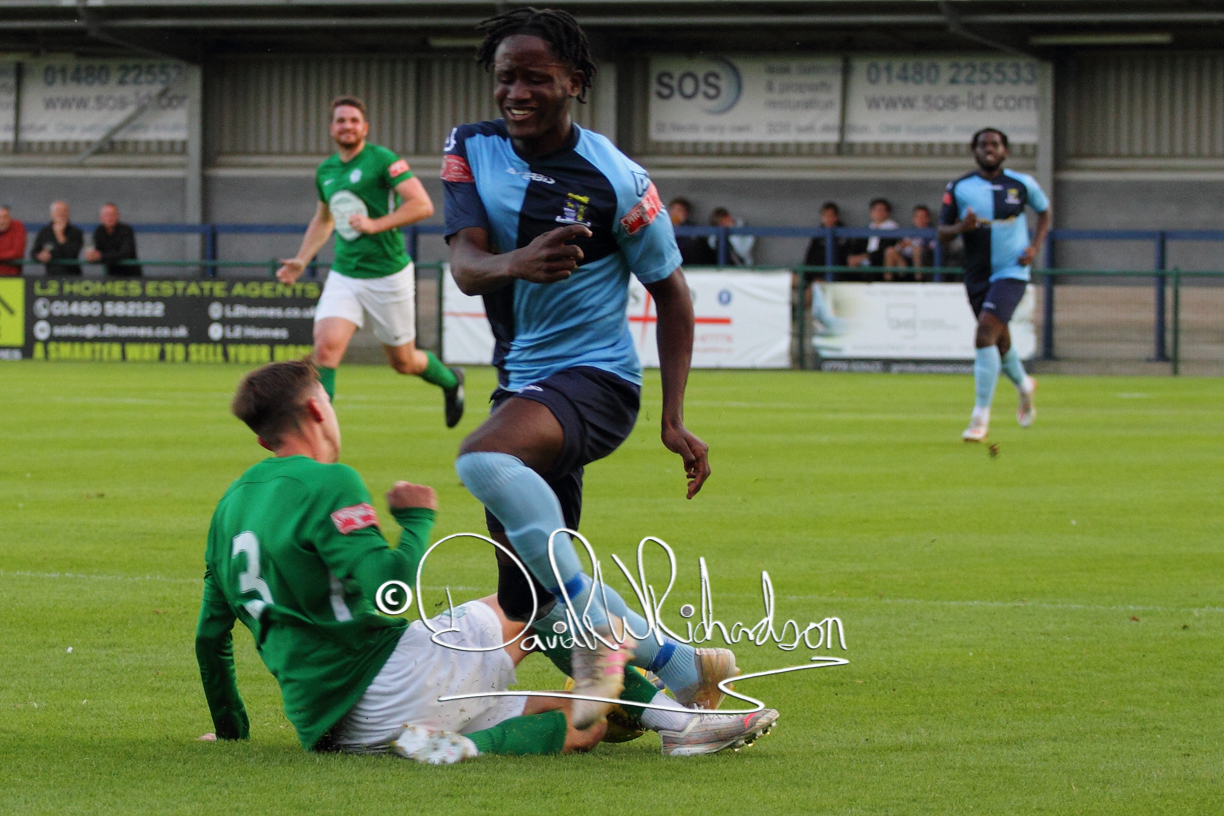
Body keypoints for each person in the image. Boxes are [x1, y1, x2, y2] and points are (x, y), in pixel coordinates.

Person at [197, 358, 777, 763]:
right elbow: (388, 590)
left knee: (588, 724)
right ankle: (683, 722)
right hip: (393, 677)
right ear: (317, 409)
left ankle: (448, 743)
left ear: (263, 440)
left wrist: (231, 732)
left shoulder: (226, 512)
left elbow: (210, 638)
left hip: (334, 730)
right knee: (534, 602)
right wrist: (416, 520)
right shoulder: (329, 482)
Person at [442, 7, 731, 731]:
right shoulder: (470, 147)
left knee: (484, 456)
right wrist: (518, 262)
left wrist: (673, 416)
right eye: (505, 77)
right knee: (531, 601)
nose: (516, 92)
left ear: (574, 80)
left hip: (597, 382)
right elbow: (467, 267)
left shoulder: (619, 180)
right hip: (523, 386)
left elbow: (673, 294)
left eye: (535, 78)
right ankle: (683, 678)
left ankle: (632, 655)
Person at [275, 95, 464, 427]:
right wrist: (302, 260)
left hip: (388, 274)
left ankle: (451, 381)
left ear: (365, 127)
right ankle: (318, 436)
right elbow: (324, 219)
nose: (346, 126)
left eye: (353, 120)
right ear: (331, 128)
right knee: (325, 351)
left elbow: (422, 205)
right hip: (345, 273)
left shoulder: (383, 160)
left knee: (404, 362)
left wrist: (376, 224)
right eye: (340, 120)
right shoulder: (326, 170)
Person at [938, 127, 1049, 442]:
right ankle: (1024, 385)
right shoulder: (959, 187)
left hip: (1012, 270)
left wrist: (1035, 247)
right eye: (983, 145)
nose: (989, 149)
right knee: (998, 340)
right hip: (976, 273)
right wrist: (961, 227)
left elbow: (1044, 212)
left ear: (1005, 151)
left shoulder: (1022, 184)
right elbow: (942, 232)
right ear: (974, 151)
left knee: (984, 332)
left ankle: (979, 418)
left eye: (995, 144)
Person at [85, 203, 141, 277]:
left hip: (130, 275)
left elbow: (125, 253)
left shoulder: (126, 230)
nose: (110, 218)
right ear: (101, 217)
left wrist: (101, 256)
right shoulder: (99, 231)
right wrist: (91, 255)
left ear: (118, 216)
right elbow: (94, 248)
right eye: (107, 215)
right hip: (110, 275)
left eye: (113, 215)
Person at [32, 200, 83, 276]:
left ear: (68, 213)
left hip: (72, 276)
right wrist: (40, 256)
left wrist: (59, 234)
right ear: (52, 214)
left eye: (64, 211)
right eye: (58, 211)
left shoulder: (76, 232)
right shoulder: (44, 232)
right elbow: (34, 252)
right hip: (51, 275)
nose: (61, 214)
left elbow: (72, 254)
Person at [885, 205, 937, 276]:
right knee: (890, 251)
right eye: (917, 216)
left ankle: (918, 278)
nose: (920, 219)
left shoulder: (932, 232)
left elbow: (933, 247)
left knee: (917, 250)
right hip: (906, 259)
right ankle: (889, 280)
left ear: (928, 219)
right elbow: (899, 246)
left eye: (922, 216)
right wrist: (901, 246)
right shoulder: (909, 232)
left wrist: (912, 244)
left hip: (924, 260)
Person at [847, 197, 899, 269]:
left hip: (880, 261)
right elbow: (858, 244)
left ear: (888, 213)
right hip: (864, 259)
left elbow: (885, 248)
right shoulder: (869, 227)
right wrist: (853, 256)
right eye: (875, 209)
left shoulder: (892, 227)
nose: (878, 212)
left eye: (881, 210)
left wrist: (865, 256)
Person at [668, 196, 716, 266]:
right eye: (675, 210)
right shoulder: (664, 226)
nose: (676, 213)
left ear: (686, 213)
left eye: (680, 210)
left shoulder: (693, 230)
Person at [802, 202, 851, 269]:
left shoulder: (844, 234)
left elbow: (845, 258)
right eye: (825, 216)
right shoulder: (819, 234)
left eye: (830, 215)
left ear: (836, 217)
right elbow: (810, 257)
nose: (828, 219)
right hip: (819, 271)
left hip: (838, 271)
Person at [0, 205, 26, 276]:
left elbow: (17, 253)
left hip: (11, 275)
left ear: (10, 218)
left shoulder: (17, 227)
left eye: (5, 217)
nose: (2, 221)